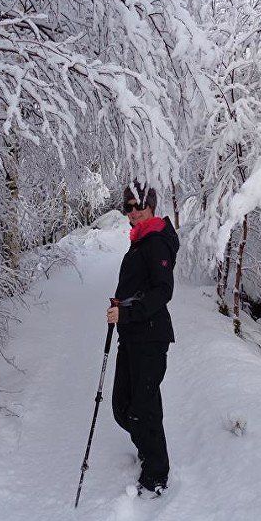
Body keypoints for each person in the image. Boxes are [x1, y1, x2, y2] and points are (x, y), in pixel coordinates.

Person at [106, 181, 179, 497]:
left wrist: (127, 312)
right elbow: (140, 287)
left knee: (144, 407)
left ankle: (156, 477)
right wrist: (121, 303)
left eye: (138, 206)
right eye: (128, 207)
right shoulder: (140, 241)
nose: (133, 212)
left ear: (151, 206)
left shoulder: (156, 242)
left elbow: (163, 291)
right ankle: (148, 452)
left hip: (150, 337)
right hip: (132, 335)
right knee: (122, 406)